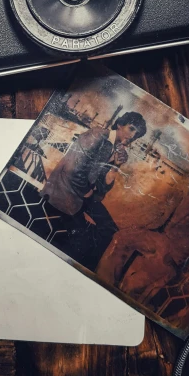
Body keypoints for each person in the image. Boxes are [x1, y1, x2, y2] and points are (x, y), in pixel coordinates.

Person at [100, 154, 189, 310]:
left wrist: (177, 260)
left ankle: (122, 304)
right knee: (120, 238)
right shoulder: (180, 190)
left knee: (136, 281)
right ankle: (104, 284)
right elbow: (160, 215)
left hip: (172, 254)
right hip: (157, 237)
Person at [40, 111, 147, 270]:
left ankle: (87, 267)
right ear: (119, 124)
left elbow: (103, 187)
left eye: (137, 134)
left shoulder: (114, 148)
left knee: (110, 230)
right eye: (131, 128)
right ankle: (67, 268)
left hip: (81, 193)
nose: (133, 135)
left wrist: (115, 166)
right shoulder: (98, 135)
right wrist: (87, 192)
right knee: (83, 238)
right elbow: (72, 170)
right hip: (64, 190)